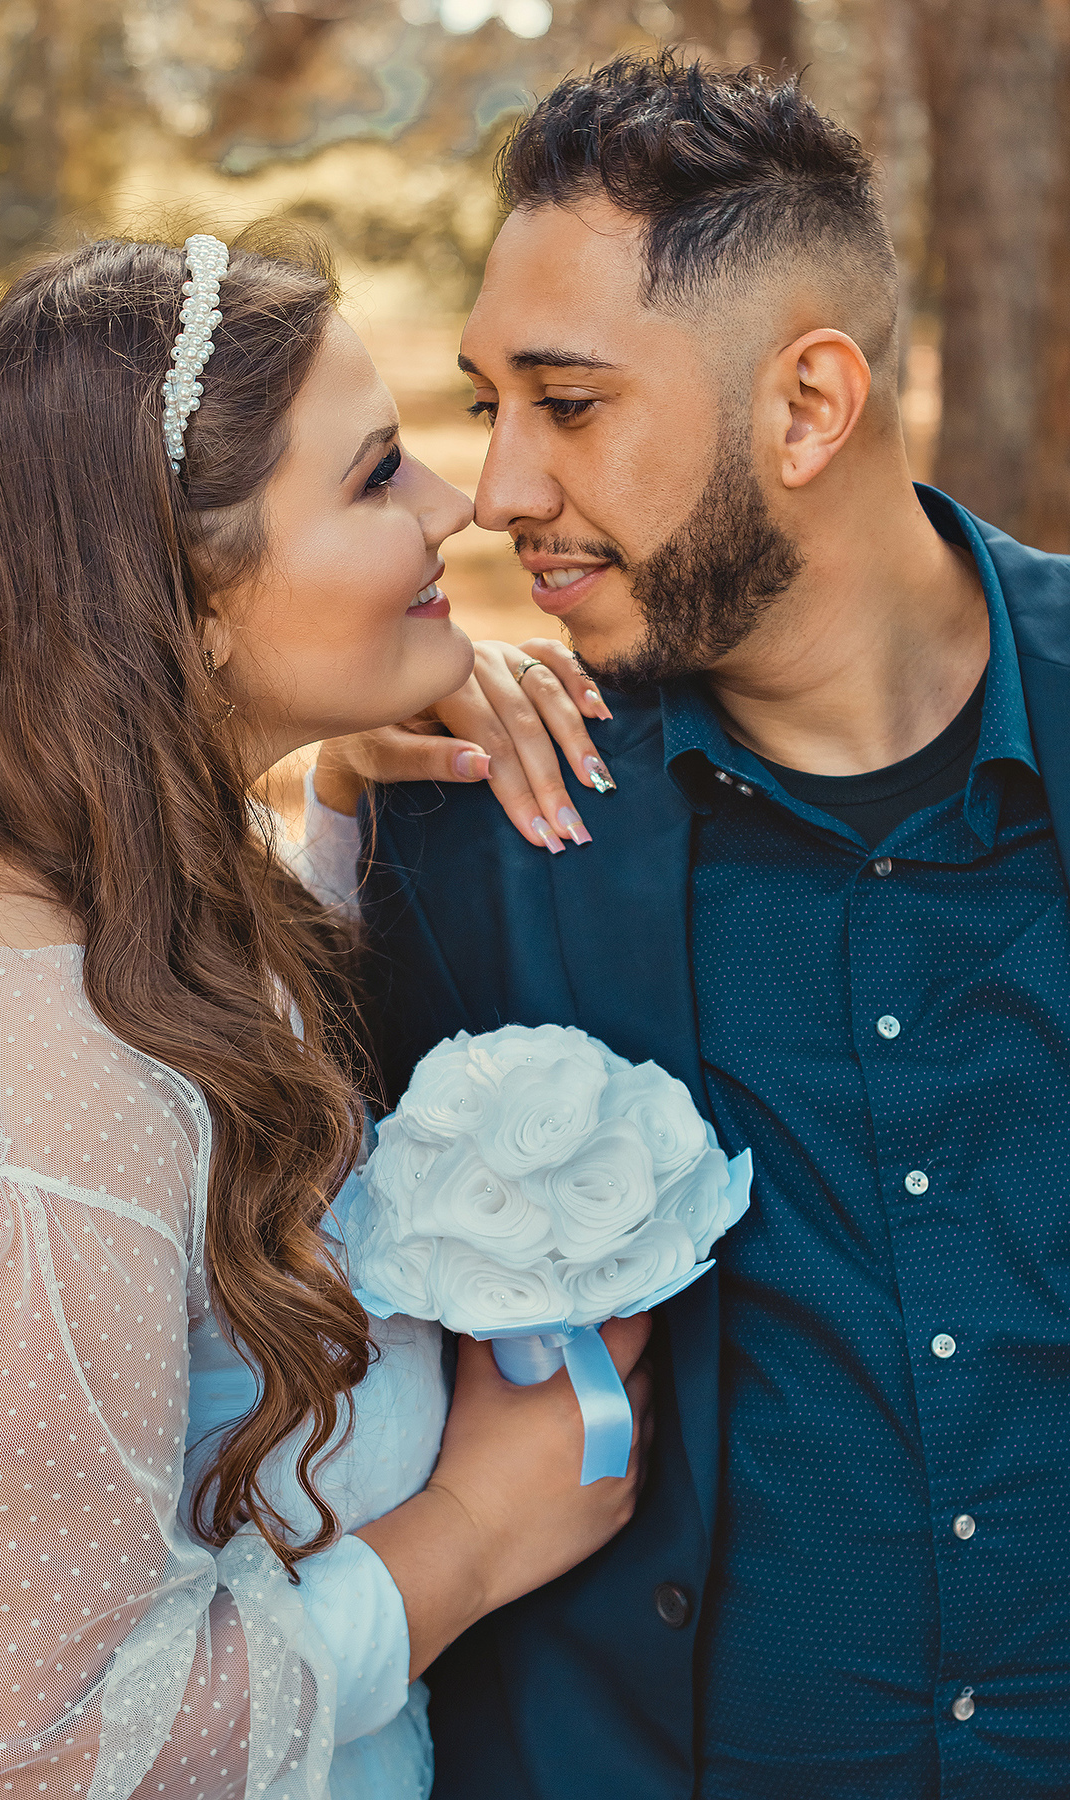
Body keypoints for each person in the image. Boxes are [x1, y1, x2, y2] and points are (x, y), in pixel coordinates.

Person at [344, 53, 1070, 1800]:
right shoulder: (462, 821)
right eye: (487, 406)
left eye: (568, 405)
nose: (499, 490)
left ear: (809, 406)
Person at [0, 227, 653, 1798]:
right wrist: (471, 1538)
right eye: (376, 479)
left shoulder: (80, 883)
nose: (458, 504)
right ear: (190, 597)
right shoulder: (25, 1134)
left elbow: (217, 1103)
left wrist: (337, 787)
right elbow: (2, 1755)